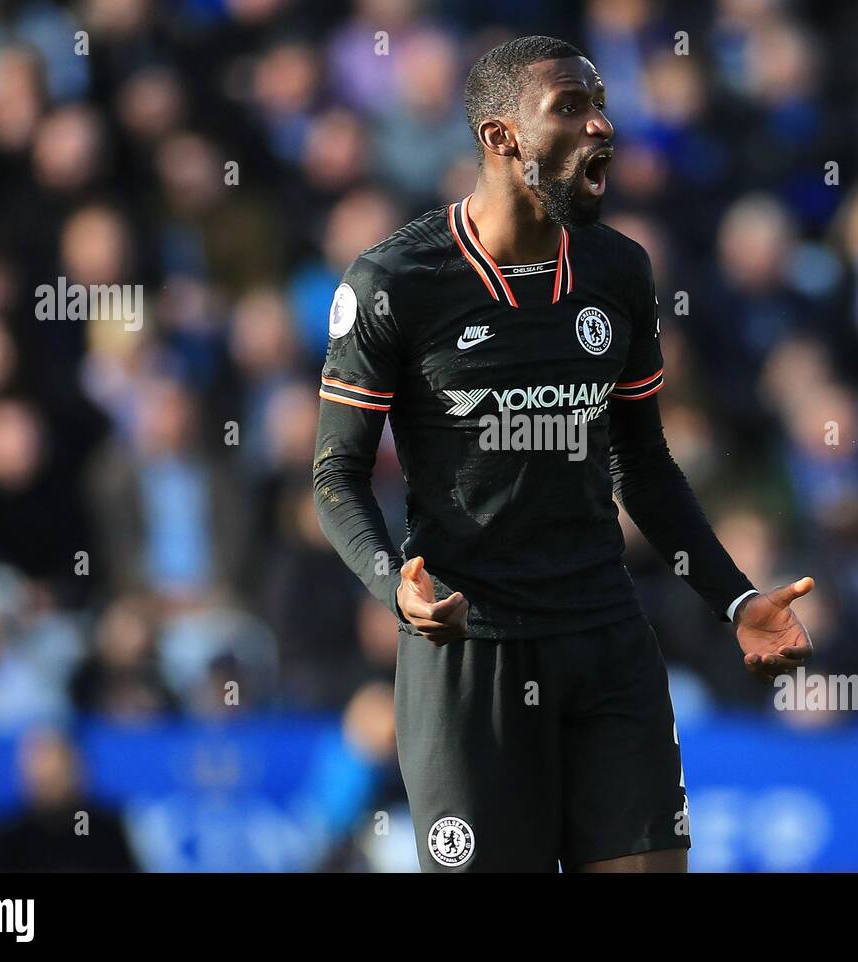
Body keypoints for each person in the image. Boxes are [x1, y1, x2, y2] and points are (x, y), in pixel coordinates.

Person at [312, 36, 815, 873]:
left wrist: (735, 601)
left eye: (600, 103)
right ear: (501, 137)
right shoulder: (394, 282)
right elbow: (335, 474)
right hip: (471, 653)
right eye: (571, 109)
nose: (602, 126)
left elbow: (644, 466)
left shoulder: (618, 271)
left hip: (605, 638)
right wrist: (393, 586)